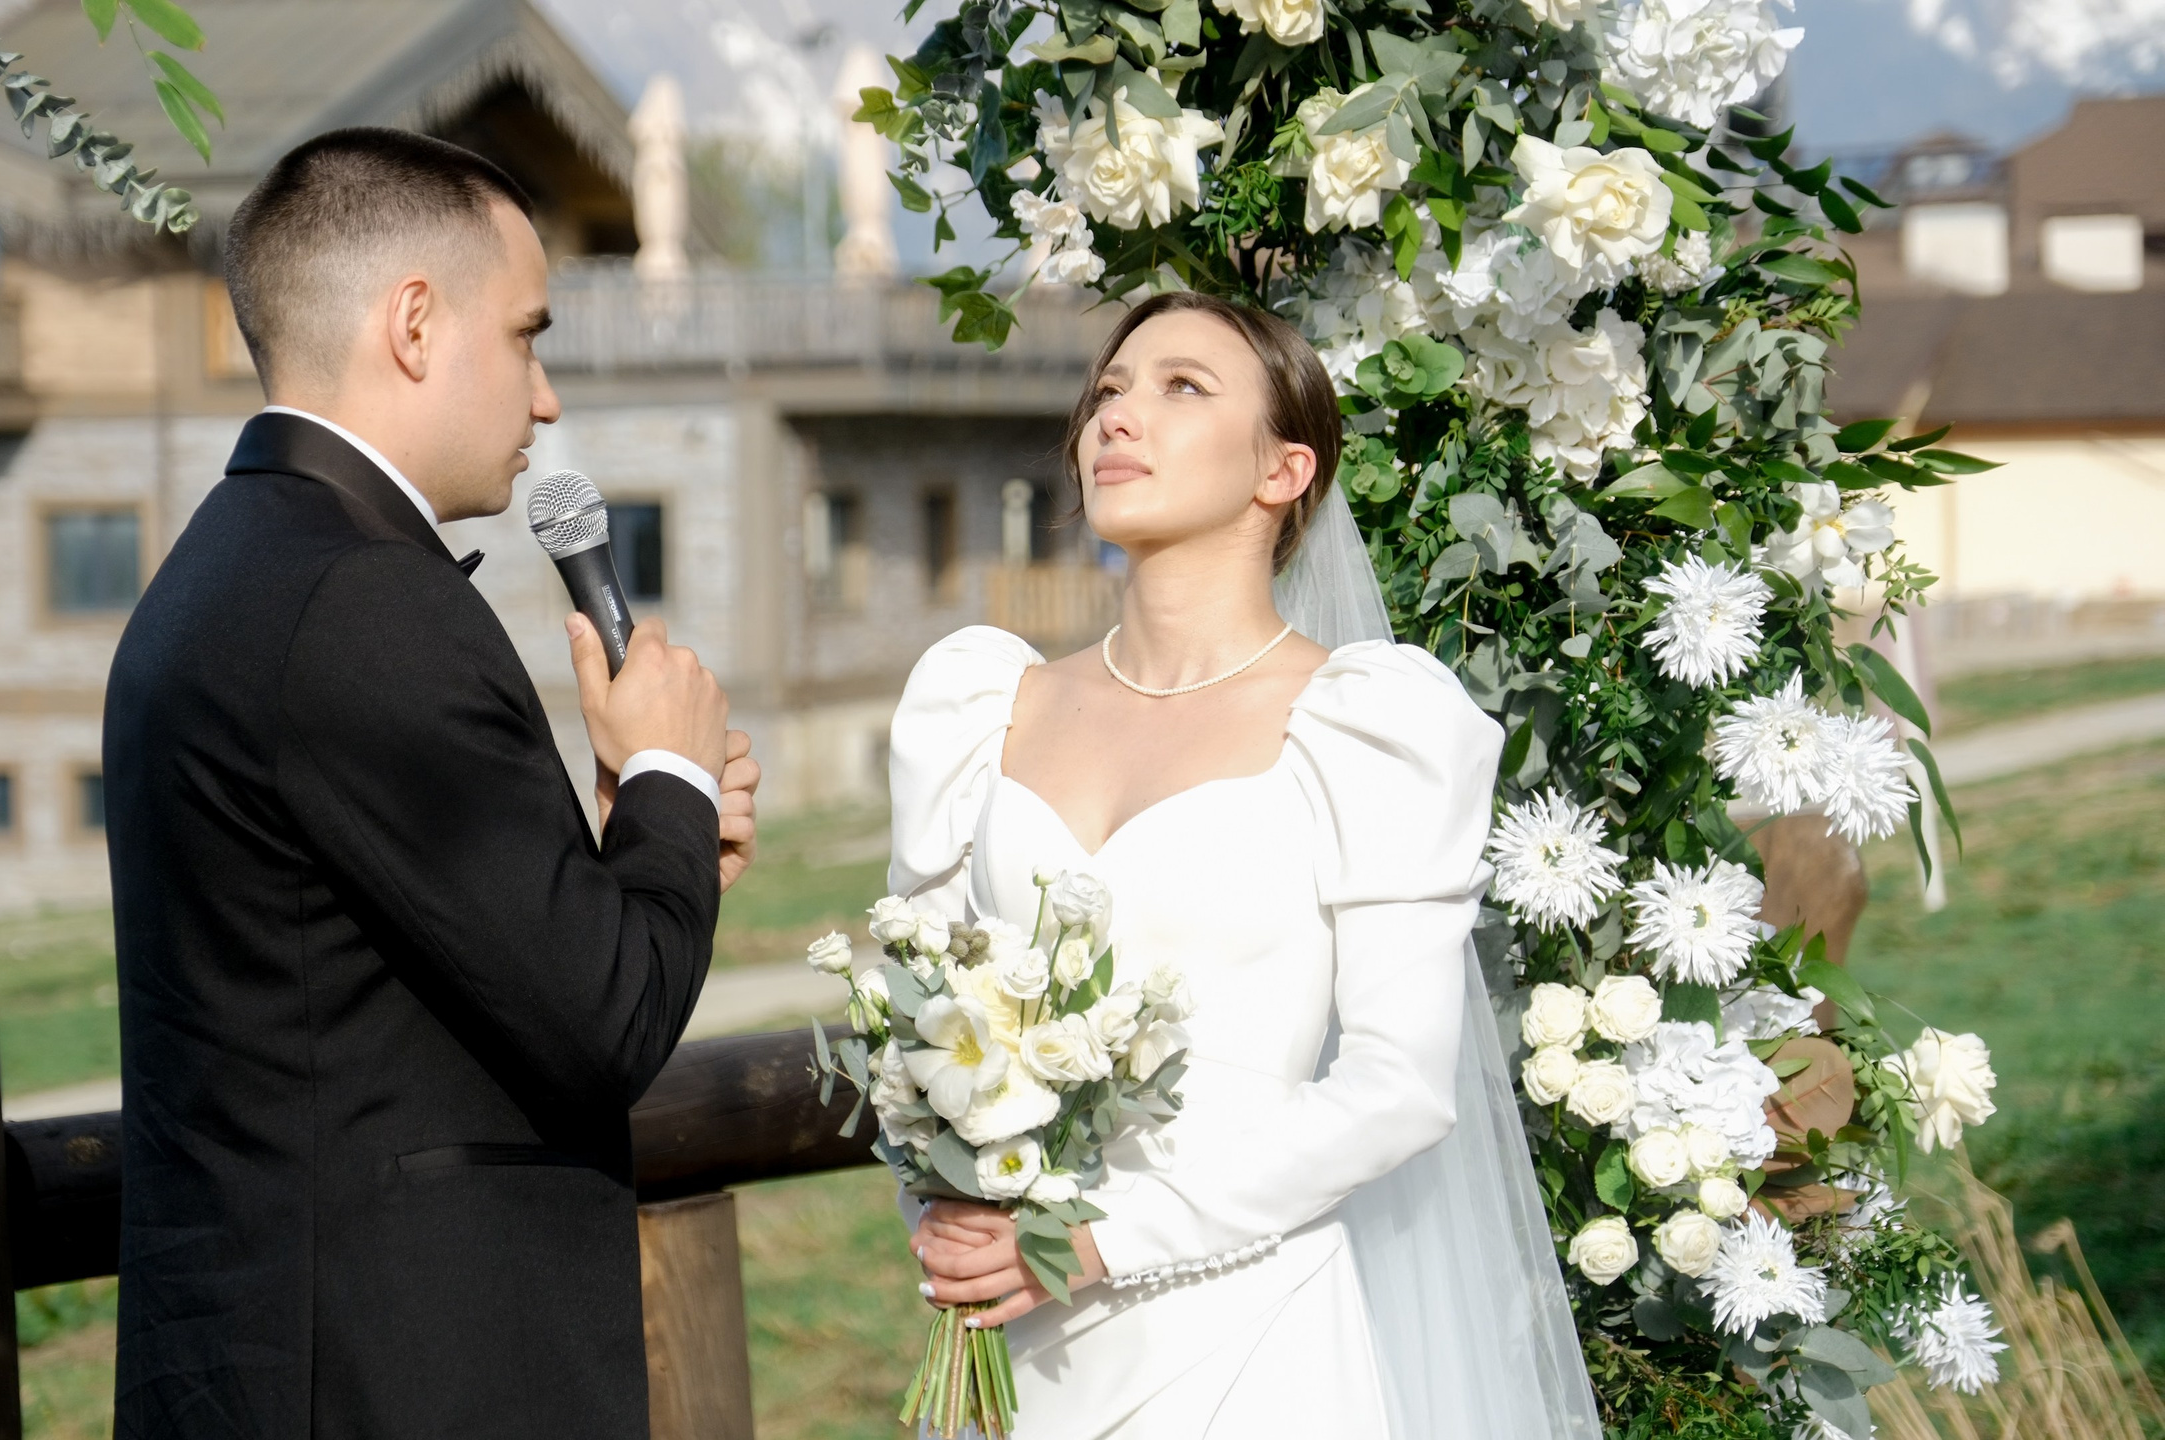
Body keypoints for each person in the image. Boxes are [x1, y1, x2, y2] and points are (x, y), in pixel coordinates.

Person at [103, 128, 757, 1439]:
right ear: (414, 322)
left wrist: (650, 830)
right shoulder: (364, 601)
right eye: (527, 335)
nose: (547, 396)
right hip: (390, 1376)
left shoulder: (224, 565)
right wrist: (675, 764)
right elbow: (604, 1022)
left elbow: (429, 968)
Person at [886, 292, 1602, 1437]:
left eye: (1182, 388)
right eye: (1107, 392)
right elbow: (909, 1024)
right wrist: (947, 1203)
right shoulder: (980, 705)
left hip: (1246, 1339)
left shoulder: (1368, 724)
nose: (1118, 417)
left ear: (1283, 470)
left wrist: (1104, 1242)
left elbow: (1397, 1090)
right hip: (1016, 1348)